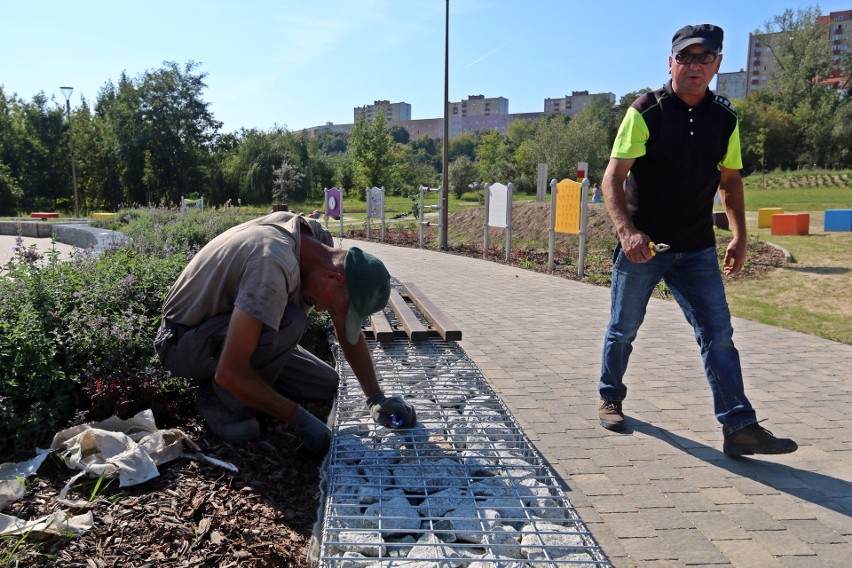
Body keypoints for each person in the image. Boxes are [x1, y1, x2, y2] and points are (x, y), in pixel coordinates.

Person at [596, 24, 797, 457]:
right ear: (670, 62)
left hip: (697, 249)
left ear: (718, 65)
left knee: (718, 335)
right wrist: (627, 232)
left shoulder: (724, 118)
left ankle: (739, 426)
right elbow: (613, 177)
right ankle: (610, 395)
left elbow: (730, 180)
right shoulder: (647, 110)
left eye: (704, 58)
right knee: (623, 329)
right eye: (685, 57)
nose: (694, 66)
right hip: (644, 248)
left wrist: (741, 236)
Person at [154, 211, 416, 456]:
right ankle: (218, 398)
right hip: (183, 342)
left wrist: (375, 397)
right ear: (334, 277)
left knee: (325, 383)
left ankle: (252, 383)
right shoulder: (272, 262)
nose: (324, 309)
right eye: (334, 307)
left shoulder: (317, 243)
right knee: (292, 322)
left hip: (227, 330)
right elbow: (230, 371)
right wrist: (298, 418)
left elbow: (346, 332)